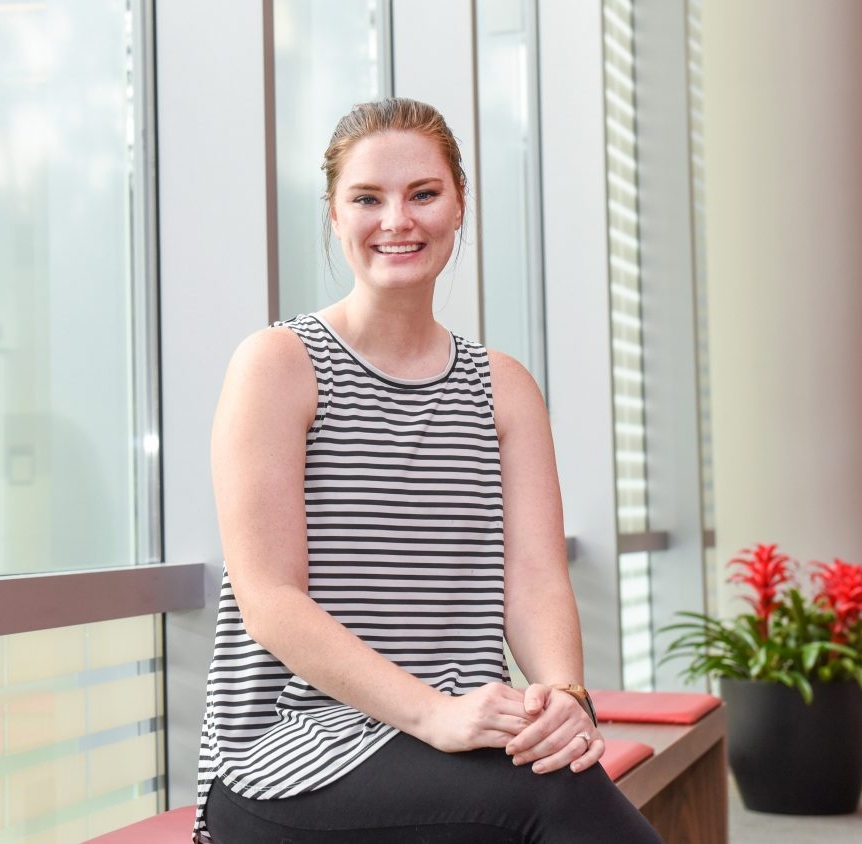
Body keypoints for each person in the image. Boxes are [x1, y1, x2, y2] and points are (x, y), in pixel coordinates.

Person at [193, 98, 662, 843]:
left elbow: (536, 579)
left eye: (423, 194)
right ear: (334, 214)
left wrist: (566, 697)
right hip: (290, 758)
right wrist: (433, 713)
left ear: (459, 205)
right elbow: (270, 600)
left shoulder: (502, 386)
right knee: (560, 805)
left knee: (566, 774)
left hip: (459, 736)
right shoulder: (280, 365)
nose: (396, 220)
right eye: (367, 198)